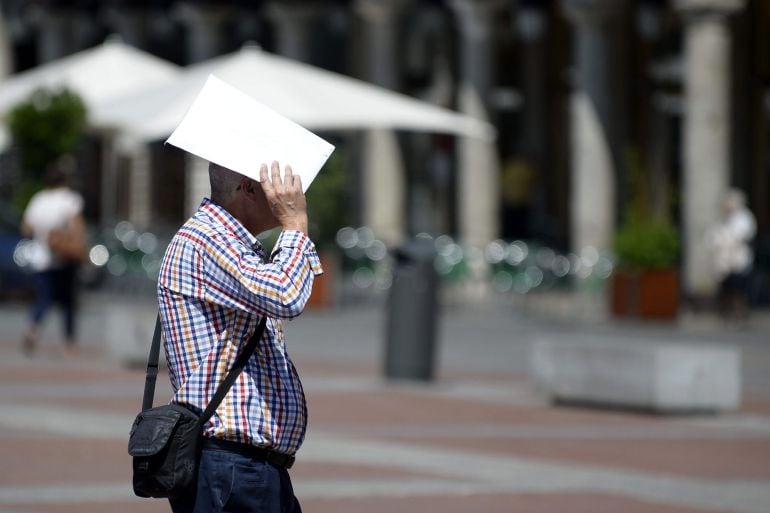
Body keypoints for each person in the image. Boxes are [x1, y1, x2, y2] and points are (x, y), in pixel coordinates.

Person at [158, 160, 322, 513]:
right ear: (249, 189)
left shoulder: (234, 244)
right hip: (230, 466)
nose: (293, 193)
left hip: (247, 467)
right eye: (280, 184)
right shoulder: (207, 239)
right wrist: (295, 226)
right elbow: (286, 295)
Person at [20, 162, 86, 356]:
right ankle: (69, 343)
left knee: (44, 298)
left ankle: (32, 328)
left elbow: (26, 227)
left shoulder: (38, 199)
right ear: (64, 180)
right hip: (64, 258)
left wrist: (43, 234)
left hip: (41, 258)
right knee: (68, 302)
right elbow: (76, 226)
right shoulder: (70, 199)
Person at [711, 188, 757, 323]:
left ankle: (740, 313)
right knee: (728, 287)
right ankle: (728, 312)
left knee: (739, 288)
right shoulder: (726, 218)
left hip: (739, 260)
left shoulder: (745, 217)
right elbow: (716, 236)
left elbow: (742, 236)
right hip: (725, 261)